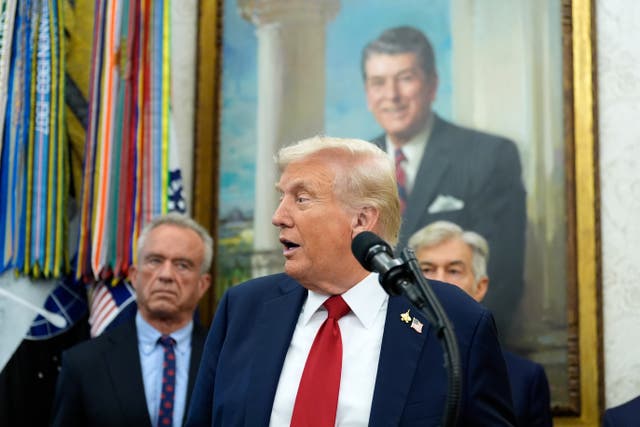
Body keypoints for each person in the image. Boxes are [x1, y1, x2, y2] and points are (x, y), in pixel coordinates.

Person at [186, 136, 515, 426]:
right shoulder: (243, 309)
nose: (279, 216)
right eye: (282, 197)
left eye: (301, 199)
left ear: (361, 219)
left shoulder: (454, 321)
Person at [362, 26, 527, 336]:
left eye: (406, 78)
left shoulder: (489, 156)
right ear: (367, 93)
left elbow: (503, 276)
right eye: (378, 82)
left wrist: (448, 341)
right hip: (375, 349)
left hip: (457, 343)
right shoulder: (355, 167)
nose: (392, 95)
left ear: (432, 85)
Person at [50, 213, 213, 427]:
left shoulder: (224, 359)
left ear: (203, 284)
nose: (166, 275)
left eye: (182, 265)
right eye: (155, 261)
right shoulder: (83, 363)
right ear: (134, 276)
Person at [408, 220, 552, 427]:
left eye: (454, 270)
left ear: (480, 287)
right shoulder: (387, 357)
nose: (439, 282)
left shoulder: (525, 378)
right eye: (427, 270)